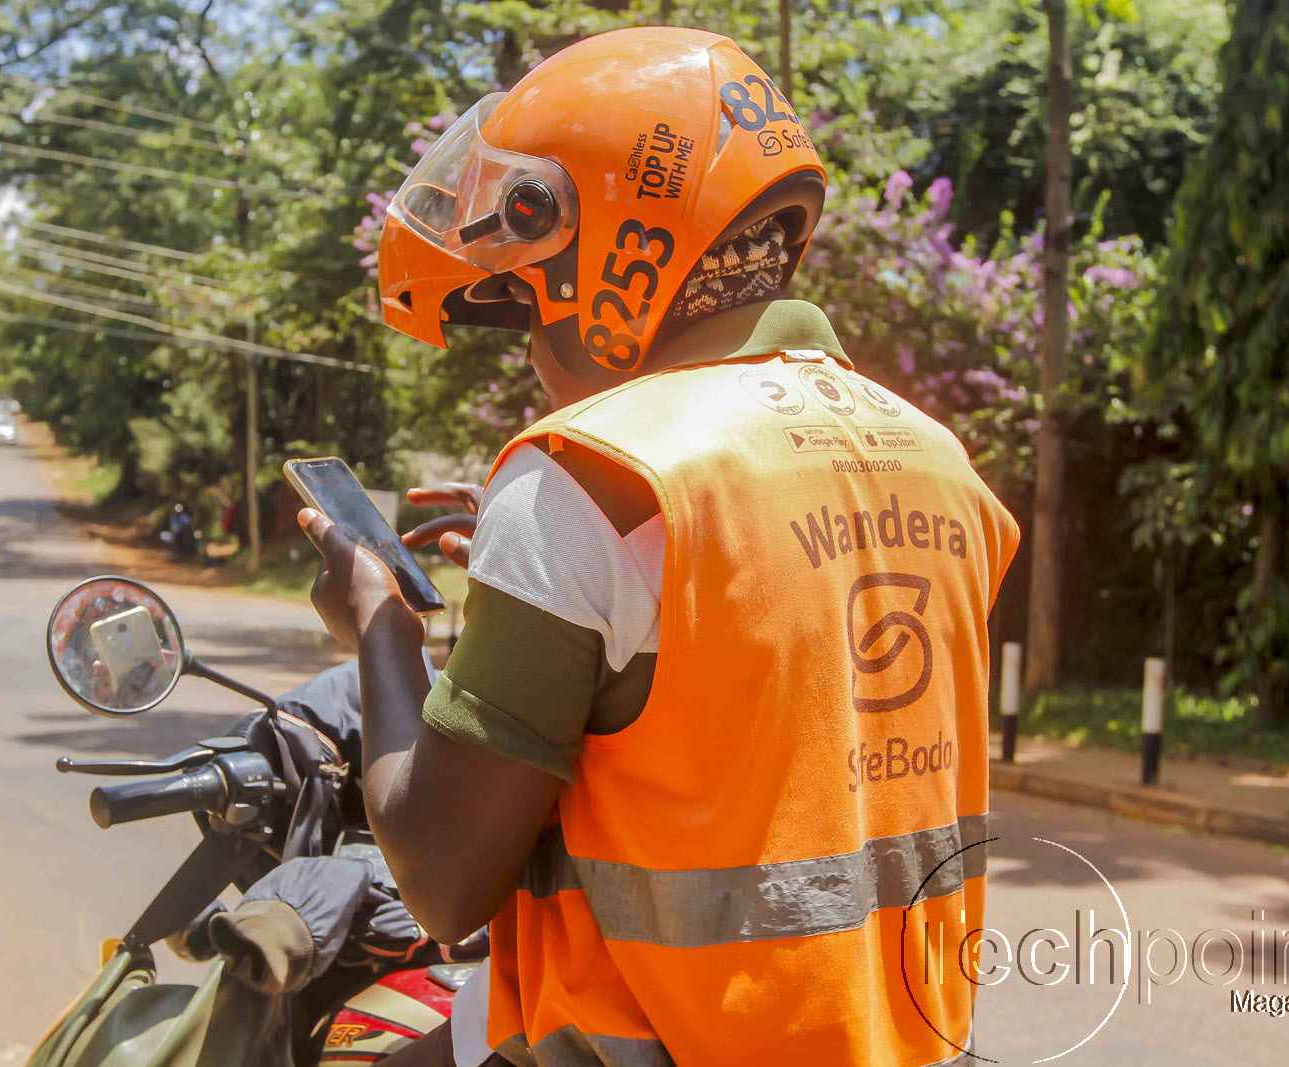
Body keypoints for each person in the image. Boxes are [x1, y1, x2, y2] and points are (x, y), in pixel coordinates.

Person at [299, 26, 1020, 1067]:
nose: (535, 352)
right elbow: (739, 696)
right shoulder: (938, 459)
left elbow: (440, 876)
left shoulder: (588, 479)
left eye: (523, 303)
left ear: (604, 254)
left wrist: (378, 623)